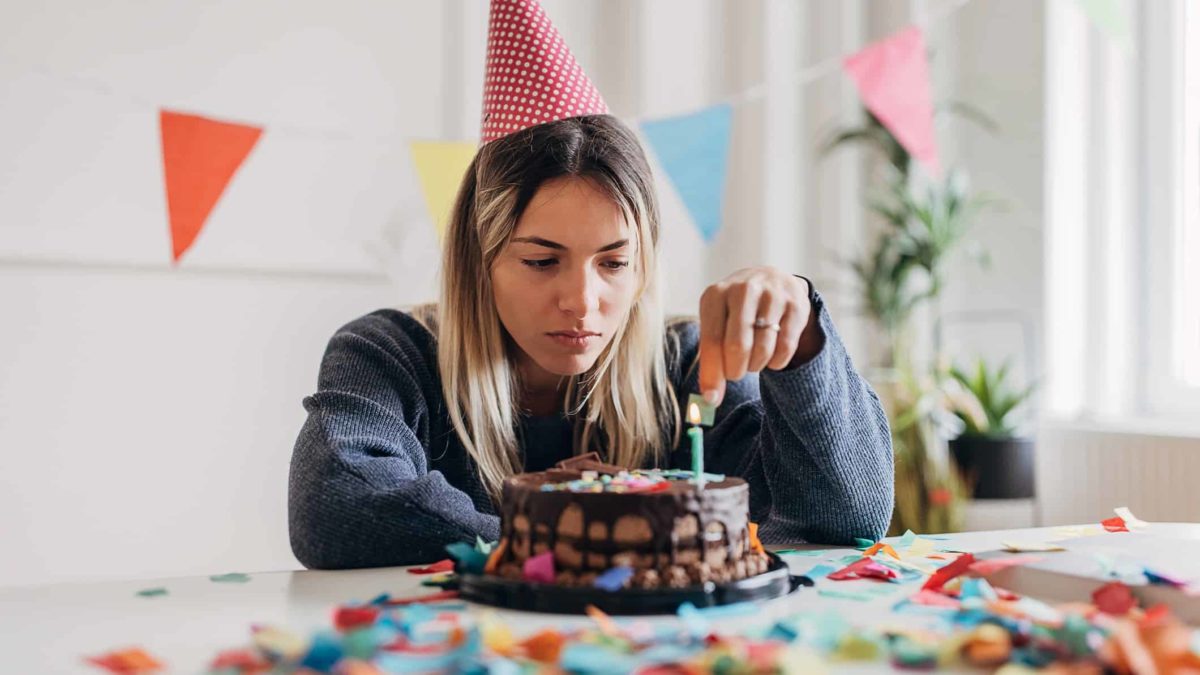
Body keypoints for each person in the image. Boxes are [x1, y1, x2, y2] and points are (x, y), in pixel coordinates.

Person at [288, 0, 892, 570]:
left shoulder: (685, 365)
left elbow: (843, 520)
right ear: (480, 259)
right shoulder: (389, 355)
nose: (581, 301)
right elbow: (334, 507)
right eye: (542, 262)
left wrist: (804, 343)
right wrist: (603, 546)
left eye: (612, 263)